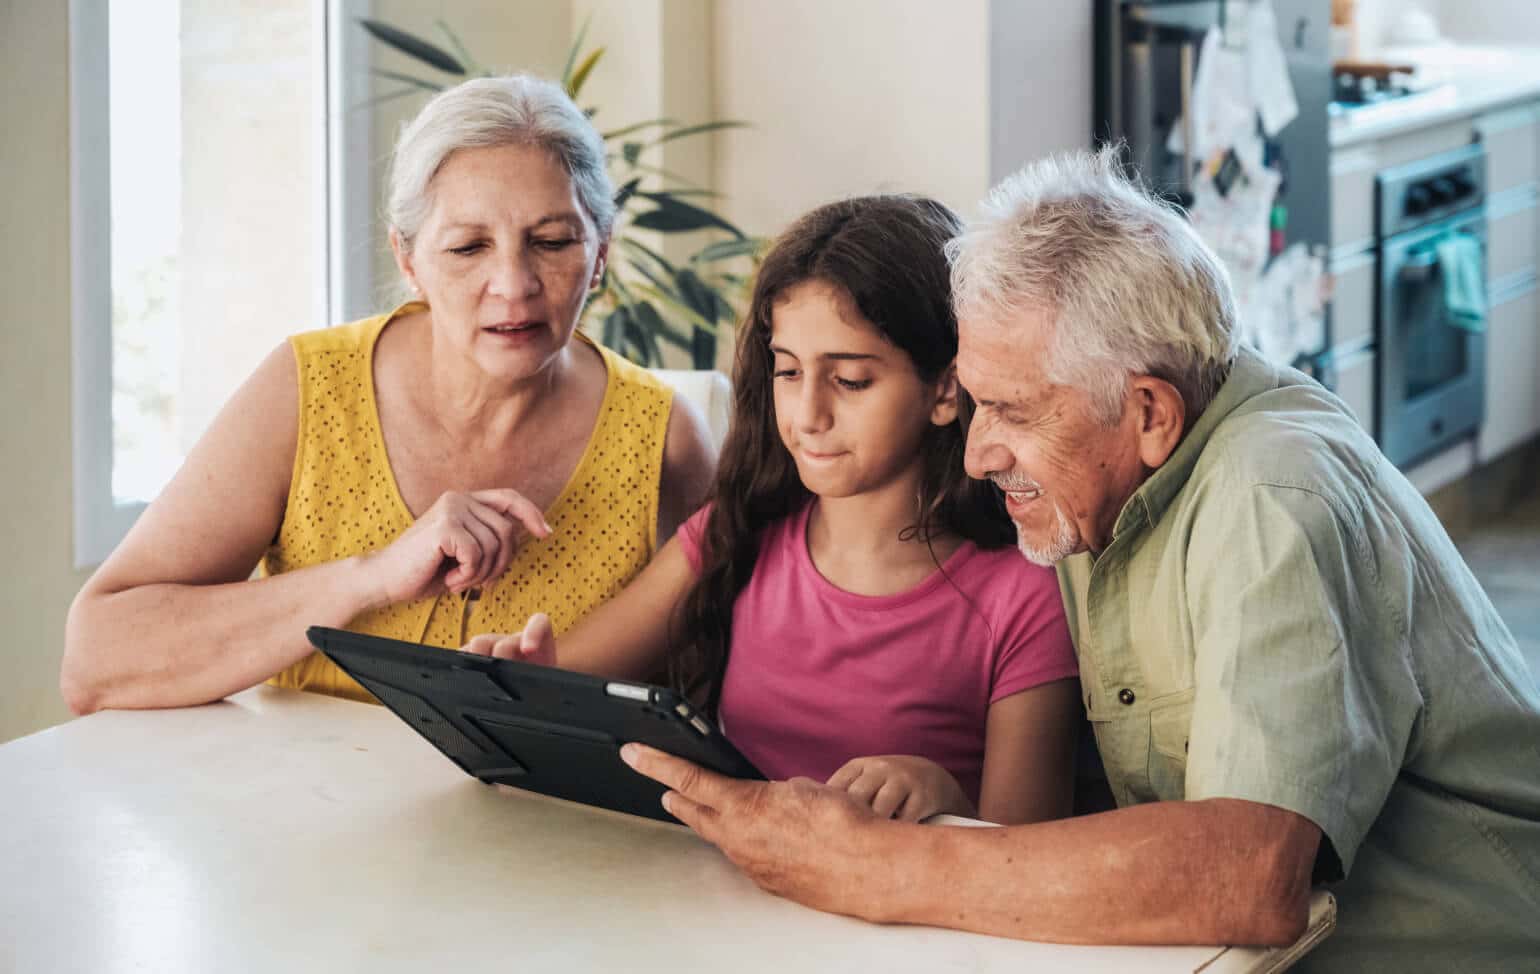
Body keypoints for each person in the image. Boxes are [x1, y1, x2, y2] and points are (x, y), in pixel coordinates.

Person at [619, 148, 1540, 969]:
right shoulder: (1105, 456)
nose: (977, 452)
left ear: (1149, 413)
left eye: (1012, 413)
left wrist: (879, 866)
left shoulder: (1271, 501)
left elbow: (1248, 878)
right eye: (976, 403)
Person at [60, 74, 716, 712]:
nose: (514, 285)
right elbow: (95, 663)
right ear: (407, 259)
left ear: (600, 251)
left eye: (550, 241)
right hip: (296, 811)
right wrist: (372, 575)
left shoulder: (664, 436)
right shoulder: (308, 389)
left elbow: (712, 684)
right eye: (467, 247)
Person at [472, 195, 1082, 825]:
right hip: (713, 899)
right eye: (788, 372)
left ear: (946, 390)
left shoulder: (1023, 597)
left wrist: (948, 801)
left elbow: (1031, 850)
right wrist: (527, 682)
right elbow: (565, 684)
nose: (808, 415)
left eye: (850, 381)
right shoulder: (736, 536)